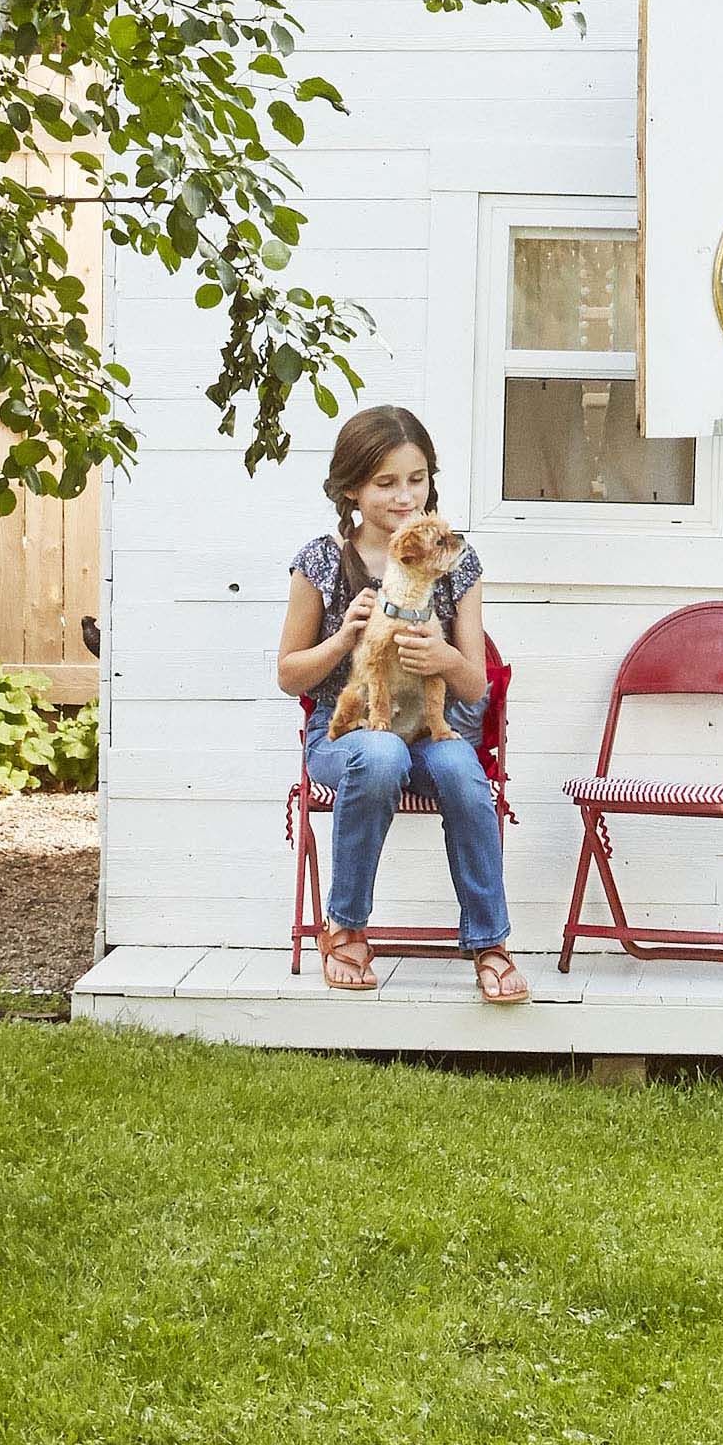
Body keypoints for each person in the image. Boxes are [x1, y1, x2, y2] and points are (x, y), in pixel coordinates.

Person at [273, 404, 526, 1004]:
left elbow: (474, 689)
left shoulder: (455, 561)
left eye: (417, 479)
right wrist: (343, 638)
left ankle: (490, 941)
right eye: (385, 483)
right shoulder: (322, 561)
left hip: (430, 726)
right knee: (381, 754)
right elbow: (289, 675)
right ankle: (347, 928)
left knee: (465, 773)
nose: (405, 496)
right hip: (348, 738)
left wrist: (444, 658)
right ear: (352, 489)